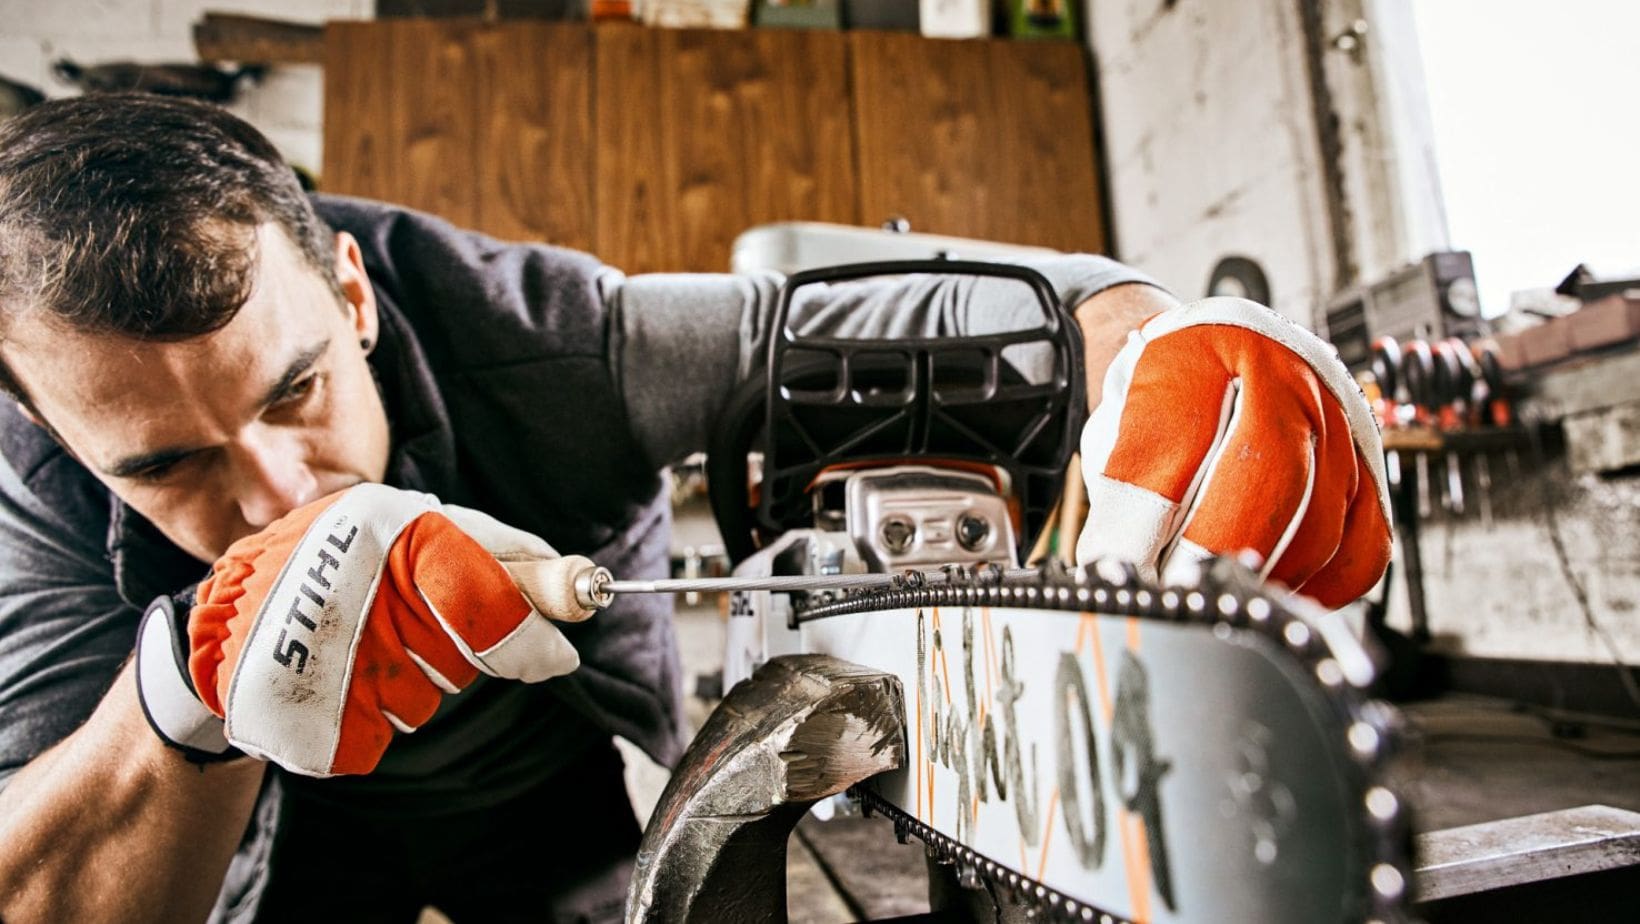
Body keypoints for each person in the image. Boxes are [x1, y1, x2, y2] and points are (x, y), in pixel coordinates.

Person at [0, 94, 1390, 923]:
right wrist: (186, 700)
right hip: (265, 848)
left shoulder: (550, 340)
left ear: (355, 297)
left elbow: (973, 319)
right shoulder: (33, 491)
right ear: (54, 429)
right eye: (165, 469)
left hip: (569, 808)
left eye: (295, 389)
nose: (275, 497)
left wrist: (1167, 339)